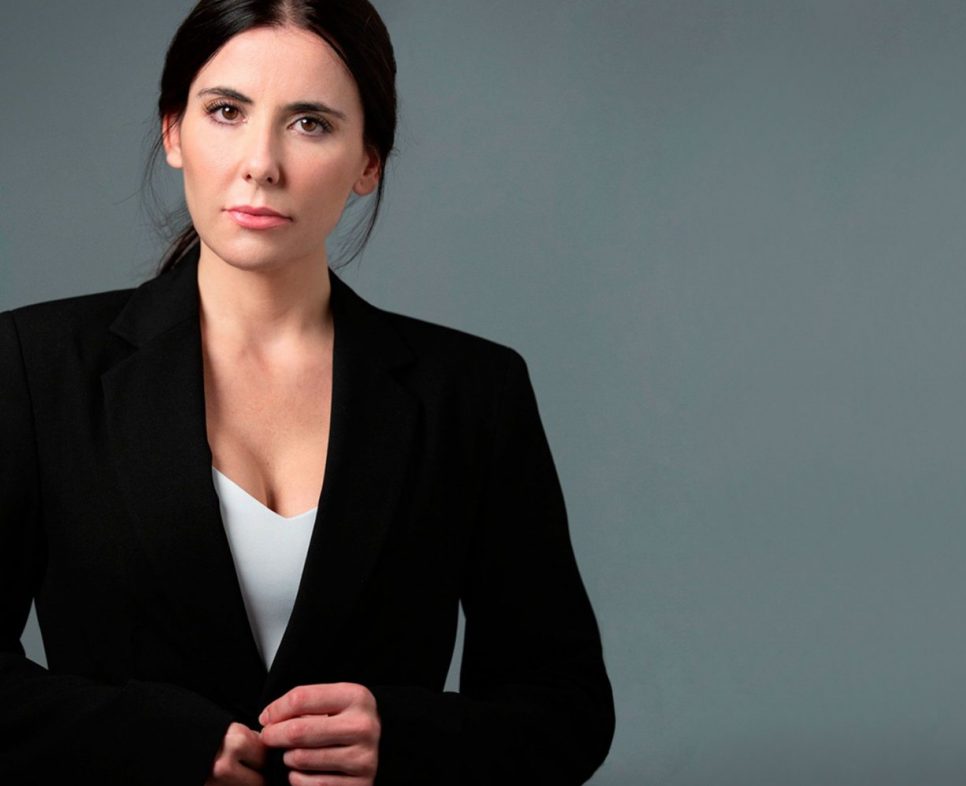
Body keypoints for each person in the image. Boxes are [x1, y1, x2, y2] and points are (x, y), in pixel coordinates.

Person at [0, 1, 614, 784]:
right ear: (174, 131)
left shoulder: (471, 393)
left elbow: (567, 707)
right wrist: (153, 743)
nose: (261, 163)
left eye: (310, 123)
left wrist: (405, 740)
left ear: (368, 161)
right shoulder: (34, 365)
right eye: (226, 111)